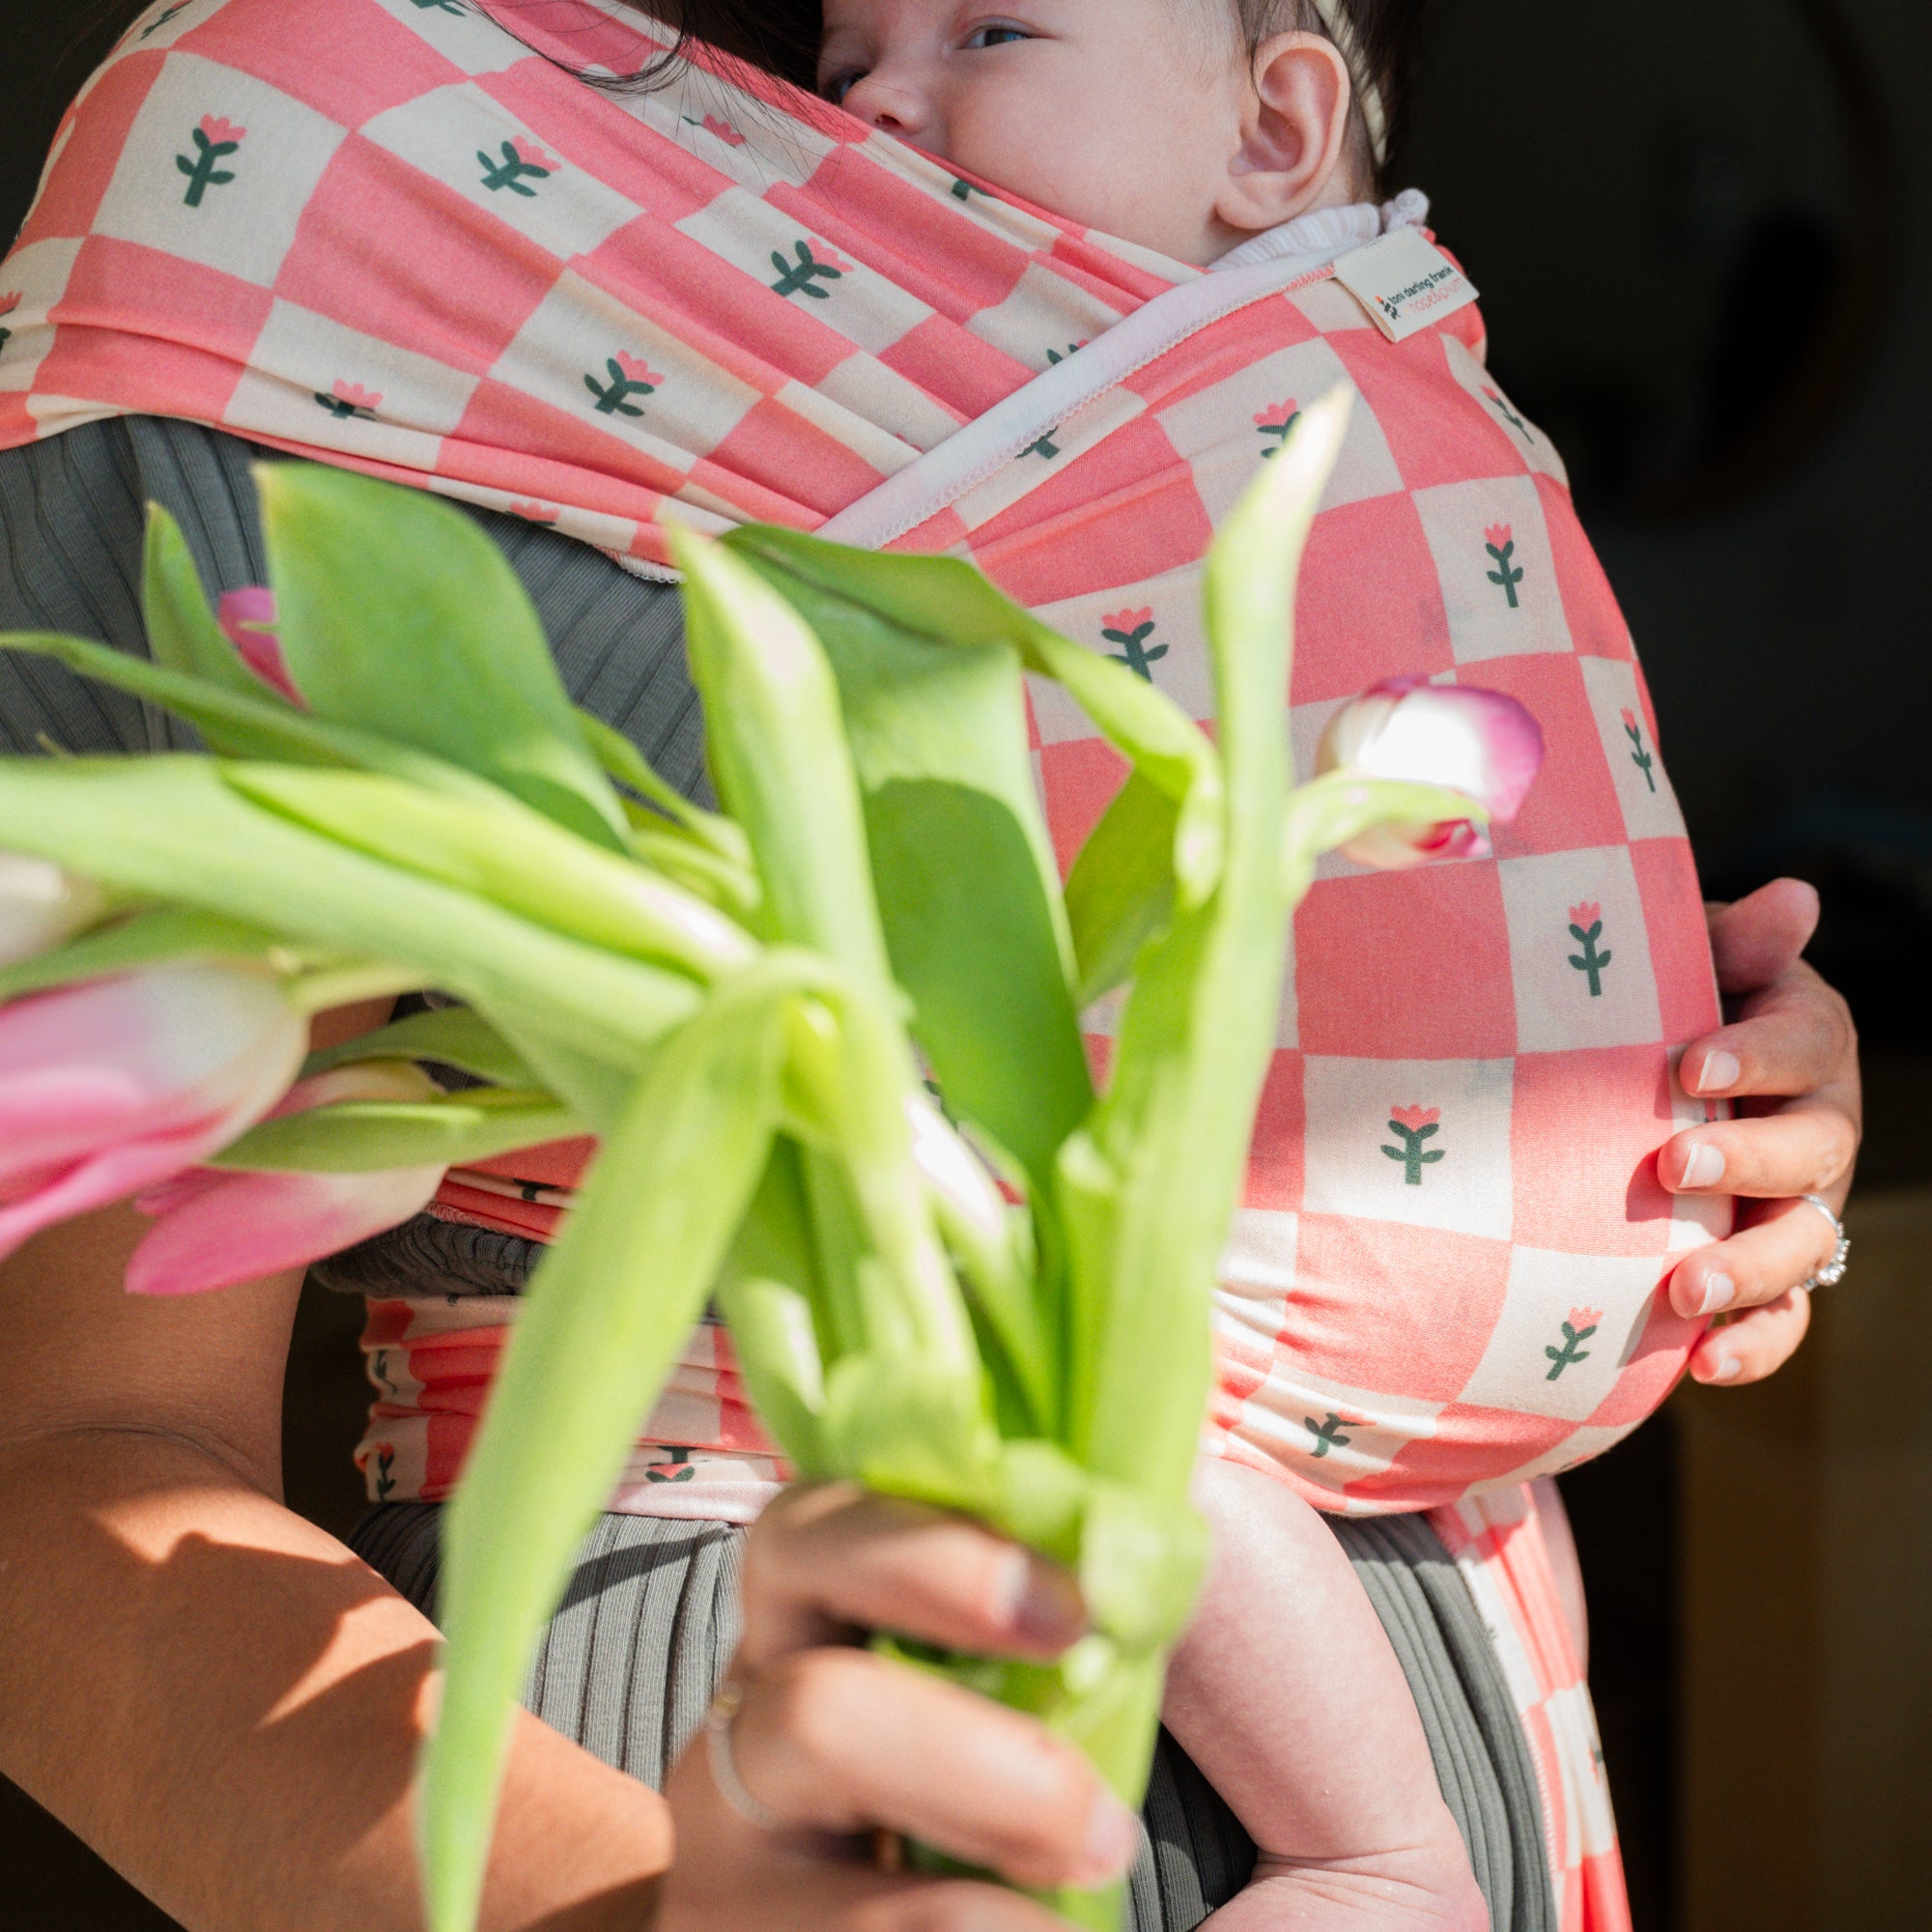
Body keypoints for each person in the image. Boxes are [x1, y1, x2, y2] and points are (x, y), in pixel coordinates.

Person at [0, 1, 1861, 1929]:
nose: (878, 95)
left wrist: (1698, 1109)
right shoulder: (319, 162)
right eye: (854, 49)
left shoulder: (1270, 317)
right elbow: (73, 1463)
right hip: (755, 1742)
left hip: (1451, 1697)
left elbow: (1447, 866)